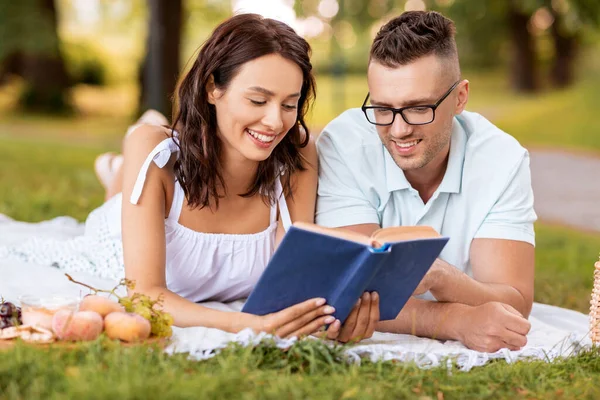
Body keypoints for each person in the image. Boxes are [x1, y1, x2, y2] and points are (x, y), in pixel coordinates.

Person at [3, 14, 378, 341]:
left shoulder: (297, 153)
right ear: (214, 88)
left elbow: (293, 277)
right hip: (112, 243)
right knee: (137, 156)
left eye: (289, 104)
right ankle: (119, 175)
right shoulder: (157, 155)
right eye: (258, 101)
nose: (275, 121)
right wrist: (244, 323)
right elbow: (145, 295)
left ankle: (117, 175)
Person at [315, 11, 536, 353]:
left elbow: (514, 302)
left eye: (419, 108)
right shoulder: (344, 146)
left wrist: (441, 276)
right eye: (383, 108)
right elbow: (347, 290)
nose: (399, 130)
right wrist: (453, 321)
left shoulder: (502, 160)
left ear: (460, 98)